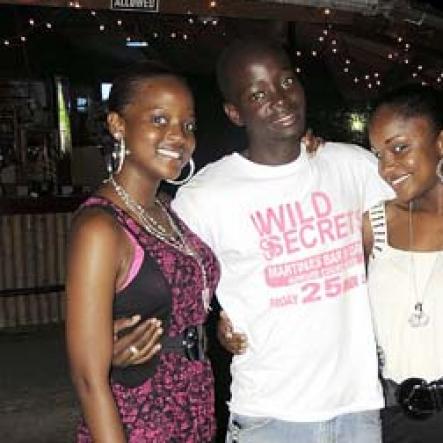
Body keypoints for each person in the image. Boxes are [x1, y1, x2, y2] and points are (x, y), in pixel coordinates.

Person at [65, 62, 220, 442]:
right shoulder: (100, 228)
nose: (178, 136)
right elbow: (87, 377)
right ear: (119, 125)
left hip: (193, 406)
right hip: (138, 420)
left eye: (188, 125)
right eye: (159, 119)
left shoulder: (166, 208)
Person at [364, 84, 443, 443]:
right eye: (379, 154)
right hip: (394, 416)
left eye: (399, 148)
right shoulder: (374, 224)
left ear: (440, 144)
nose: (386, 168)